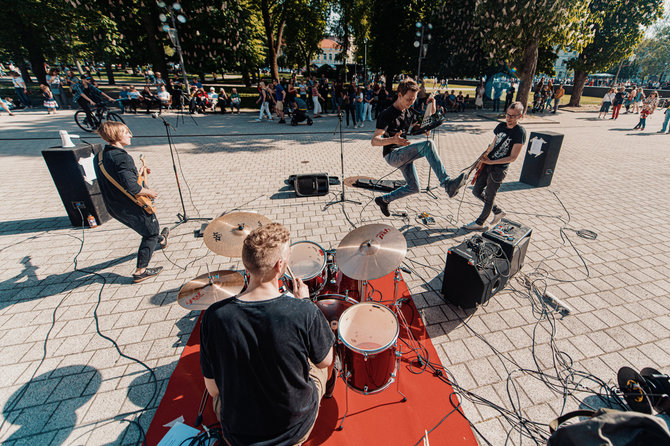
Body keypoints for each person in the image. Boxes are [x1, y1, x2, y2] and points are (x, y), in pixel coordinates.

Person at [200, 222, 335, 446]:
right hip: (292, 430)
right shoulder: (303, 312)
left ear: (246, 264)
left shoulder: (214, 316)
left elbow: (213, 389)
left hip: (238, 434)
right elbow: (325, 362)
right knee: (325, 358)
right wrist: (306, 303)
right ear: (280, 265)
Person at [371, 77, 466, 217]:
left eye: (414, 99)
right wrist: (392, 139)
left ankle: (384, 200)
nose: (411, 102)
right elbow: (374, 140)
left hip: (403, 153)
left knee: (414, 187)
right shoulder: (387, 114)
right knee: (428, 145)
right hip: (393, 155)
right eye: (409, 99)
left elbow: (427, 129)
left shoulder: (409, 112)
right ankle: (447, 184)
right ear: (399, 95)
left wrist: (431, 106)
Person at [93, 121, 169, 283]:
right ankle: (140, 271)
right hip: (130, 206)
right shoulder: (122, 158)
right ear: (115, 136)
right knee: (150, 232)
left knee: (149, 229)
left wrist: (138, 173)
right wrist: (150, 192)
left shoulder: (100, 155)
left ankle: (161, 240)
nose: (130, 135)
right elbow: (133, 189)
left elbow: (117, 178)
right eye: (126, 132)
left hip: (113, 206)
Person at [464, 102, 526, 230]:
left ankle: (480, 223)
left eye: (513, 116)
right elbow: (493, 144)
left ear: (520, 116)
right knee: (476, 191)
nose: (509, 118)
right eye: (508, 115)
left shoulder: (520, 132)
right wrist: (482, 160)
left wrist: (492, 162)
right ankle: (497, 211)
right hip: (487, 164)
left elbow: (513, 157)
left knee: (489, 195)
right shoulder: (501, 126)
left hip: (499, 169)